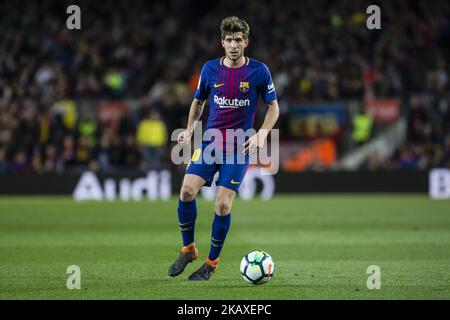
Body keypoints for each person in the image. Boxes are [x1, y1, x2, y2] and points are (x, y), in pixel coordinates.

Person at [168, 16, 280, 281]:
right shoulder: (209, 70)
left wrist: (262, 135)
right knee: (185, 191)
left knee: (222, 205)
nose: (233, 45)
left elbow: (274, 107)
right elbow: (198, 102)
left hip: (239, 147)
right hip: (210, 143)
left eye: (238, 39)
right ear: (222, 42)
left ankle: (211, 263)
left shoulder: (260, 71)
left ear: (246, 42)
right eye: (229, 40)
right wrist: (188, 128)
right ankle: (188, 250)